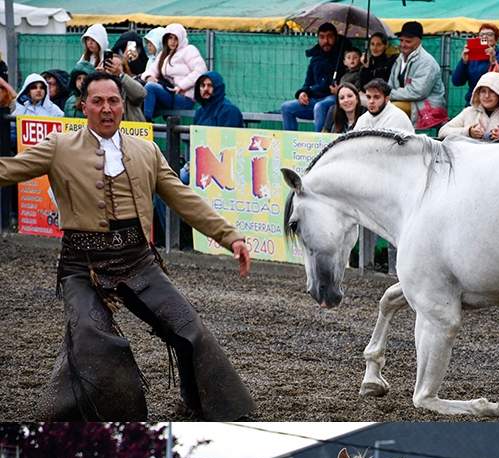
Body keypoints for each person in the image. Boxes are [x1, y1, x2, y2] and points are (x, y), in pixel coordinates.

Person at [0, 72, 255, 421]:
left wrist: (231, 237)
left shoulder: (145, 150)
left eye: (113, 101)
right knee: (94, 342)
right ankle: (112, 422)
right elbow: (7, 169)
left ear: (123, 105)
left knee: (190, 331)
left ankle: (203, 408)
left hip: (138, 260)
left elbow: (183, 198)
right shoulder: (60, 146)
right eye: (98, 101)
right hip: (81, 265)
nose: (107, 109)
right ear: (83, 107)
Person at [279, 23, 344, 131]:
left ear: (335, 38)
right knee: (286, 107)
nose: (326, 41)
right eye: (322, 37)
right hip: (314, 99)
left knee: (320, 106)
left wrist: (340, 90)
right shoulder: (315, 58)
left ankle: (319, 145)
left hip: (333, 100)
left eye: (329, 36)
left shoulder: (343, 57)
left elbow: (351, 80)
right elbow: (307, 82)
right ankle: (290, 144)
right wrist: (303, 93)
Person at [389, 21, 447, 131]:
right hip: (409, 103)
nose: (403, 44)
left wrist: (389, 95)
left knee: (391, 110)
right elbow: (390, 85)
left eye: (408, 41)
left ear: (419, 41)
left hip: (426, 108)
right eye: (401, 40)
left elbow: (417, 92)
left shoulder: (427, 62)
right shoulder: (399, 59)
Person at [142, 23, 206, 119]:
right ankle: (146, 122)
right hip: (170, 93)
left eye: (176, 38)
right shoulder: (163, 54)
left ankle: (171, 127)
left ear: (181, 39)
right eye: (170, 38)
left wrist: (181, 86)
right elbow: (151, 70)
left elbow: (201, 71)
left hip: (185, 97)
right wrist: (149, 77)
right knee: (149, 87)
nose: (172, 41)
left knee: (178, 98)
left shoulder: (189, 50)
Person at [439, 71, 499, 142]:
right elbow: (443, 132)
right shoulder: (469, 112)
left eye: (492, 91)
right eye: (483, 91)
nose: (487, 96)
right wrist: (468, 132)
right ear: (478, 93)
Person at [453, 23, 499, 102]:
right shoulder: (472, 58)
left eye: (489, 34)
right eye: (482, 35)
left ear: (496, 40)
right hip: (474, 102)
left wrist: (494, 61)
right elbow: (456, 81)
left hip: (497, 103)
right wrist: (463, 62)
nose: (485, 37)